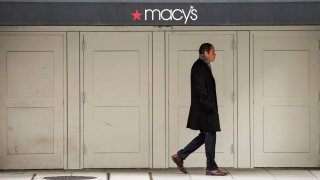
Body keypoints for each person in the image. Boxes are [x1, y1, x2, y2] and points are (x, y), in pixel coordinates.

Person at [171, 43, 228, 176]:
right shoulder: (199, 67)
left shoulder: (202, 66)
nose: (215, 54)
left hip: (205, 109)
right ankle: (211, 167)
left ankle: (180, 156)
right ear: (205, 53)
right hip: (205, 110)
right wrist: (210, 107)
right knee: (210, 136)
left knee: (205, 136)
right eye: (213, 52)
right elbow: (201, 90)